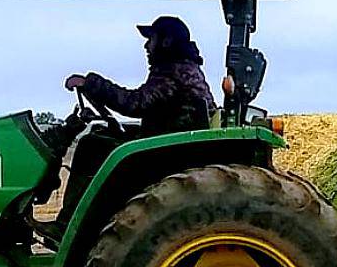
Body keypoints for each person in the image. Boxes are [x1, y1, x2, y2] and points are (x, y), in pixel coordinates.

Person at [39, 15, 216, 242]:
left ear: (166, 41)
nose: (146, 45)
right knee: (100, 137)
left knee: (91, 147)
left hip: (168, 155)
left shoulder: (174, 71)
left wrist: (91, 83)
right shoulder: (180, 69)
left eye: (150, 38)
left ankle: (67, 226)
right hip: (169, 141)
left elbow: (134, 103)